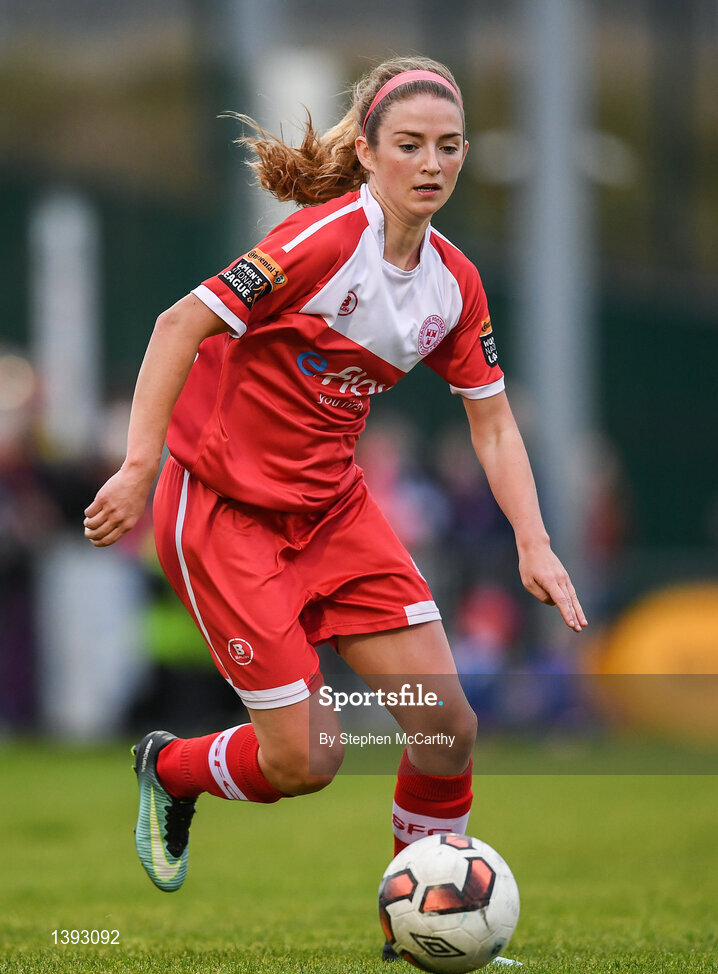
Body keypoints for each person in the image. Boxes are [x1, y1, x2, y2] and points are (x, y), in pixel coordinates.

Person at [84, 56, 587, 963]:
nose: (431, 164)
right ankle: (168, 768)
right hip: (226, 515)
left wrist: (535, 541)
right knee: (306, 761)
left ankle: (414, 934)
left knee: (445, 727)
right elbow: (177, 325)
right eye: (409, 146)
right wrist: (135, 467)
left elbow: (496, 426)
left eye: (448, 146)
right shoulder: (318, 242)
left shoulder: (453, 285)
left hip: (334, 513)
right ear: (369, 151)